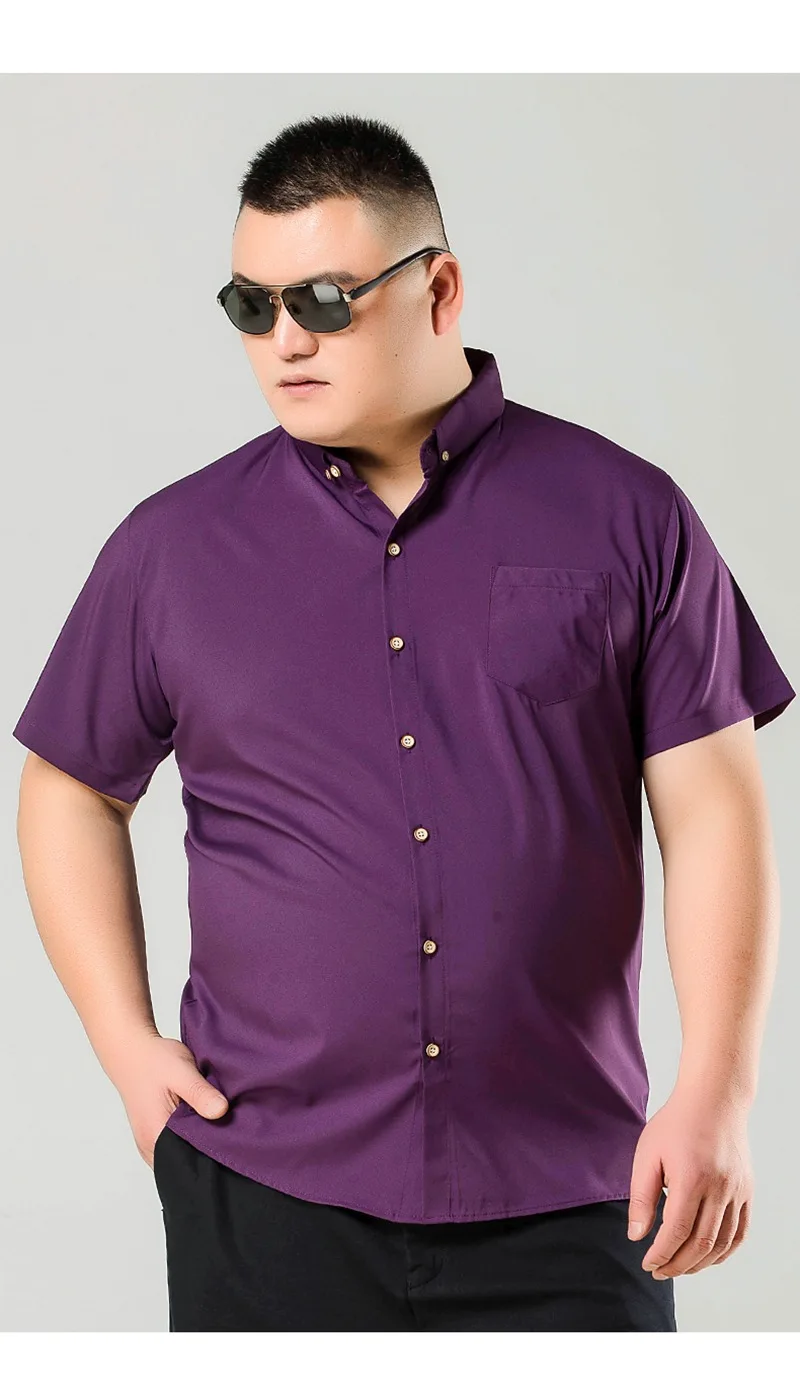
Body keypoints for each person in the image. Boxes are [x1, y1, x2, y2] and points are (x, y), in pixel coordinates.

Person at [13, 112, 795, 1333]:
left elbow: (710, 814)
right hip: (265, 1188)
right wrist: (126, 1045)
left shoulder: (626, 515)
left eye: (323, 300)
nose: (284, 340)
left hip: (570, 1190)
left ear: (438, 289)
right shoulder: (171, 549)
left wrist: (719, 1089)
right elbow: (70, 787)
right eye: (250, 306)